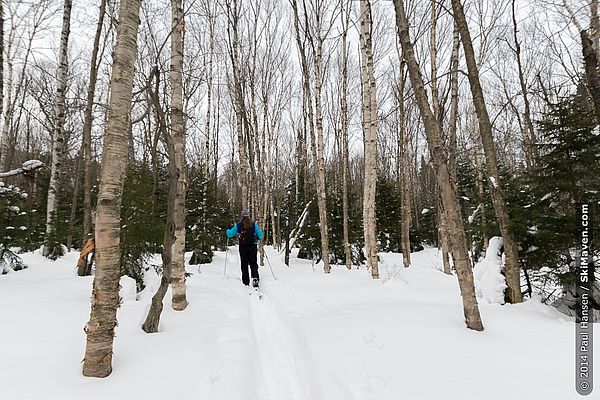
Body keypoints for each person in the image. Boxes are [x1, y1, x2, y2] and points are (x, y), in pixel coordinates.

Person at [226, 209, 264, 287]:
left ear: (242, 216)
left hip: (243, 246)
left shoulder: (238, 225)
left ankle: (246, 281)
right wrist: (257, 237)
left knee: (244, 263)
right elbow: (260, 235)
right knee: (253, 263)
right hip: (252, 245)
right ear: (248, 215)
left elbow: (230, 234)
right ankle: (255, 277)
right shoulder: (253, 224)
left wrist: (227, 230)